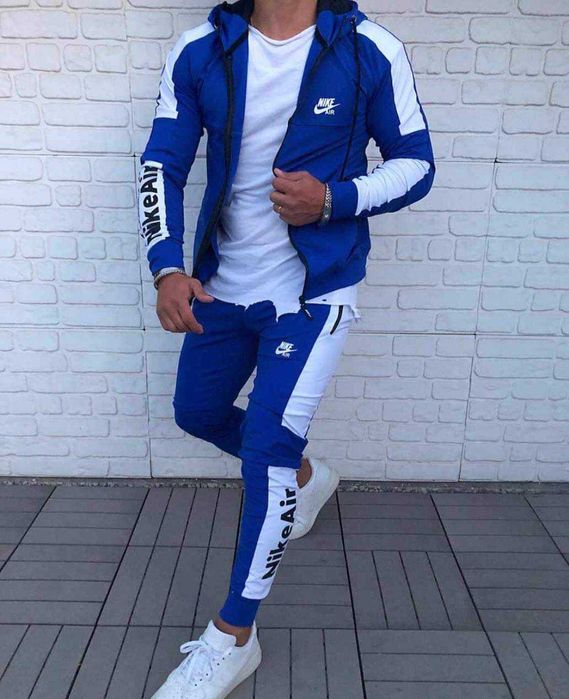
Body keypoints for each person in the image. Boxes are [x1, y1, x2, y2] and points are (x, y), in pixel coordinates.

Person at [138, 0, 434, 696]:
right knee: (196, 412)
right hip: (220, 286)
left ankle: (233, 638)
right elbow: (161, 163)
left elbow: (416, 165)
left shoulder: (368, 48)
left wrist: (334, 200)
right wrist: (166, 265)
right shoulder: (201, 49)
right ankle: (305, 477)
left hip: (314, 293)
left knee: (264, 453)